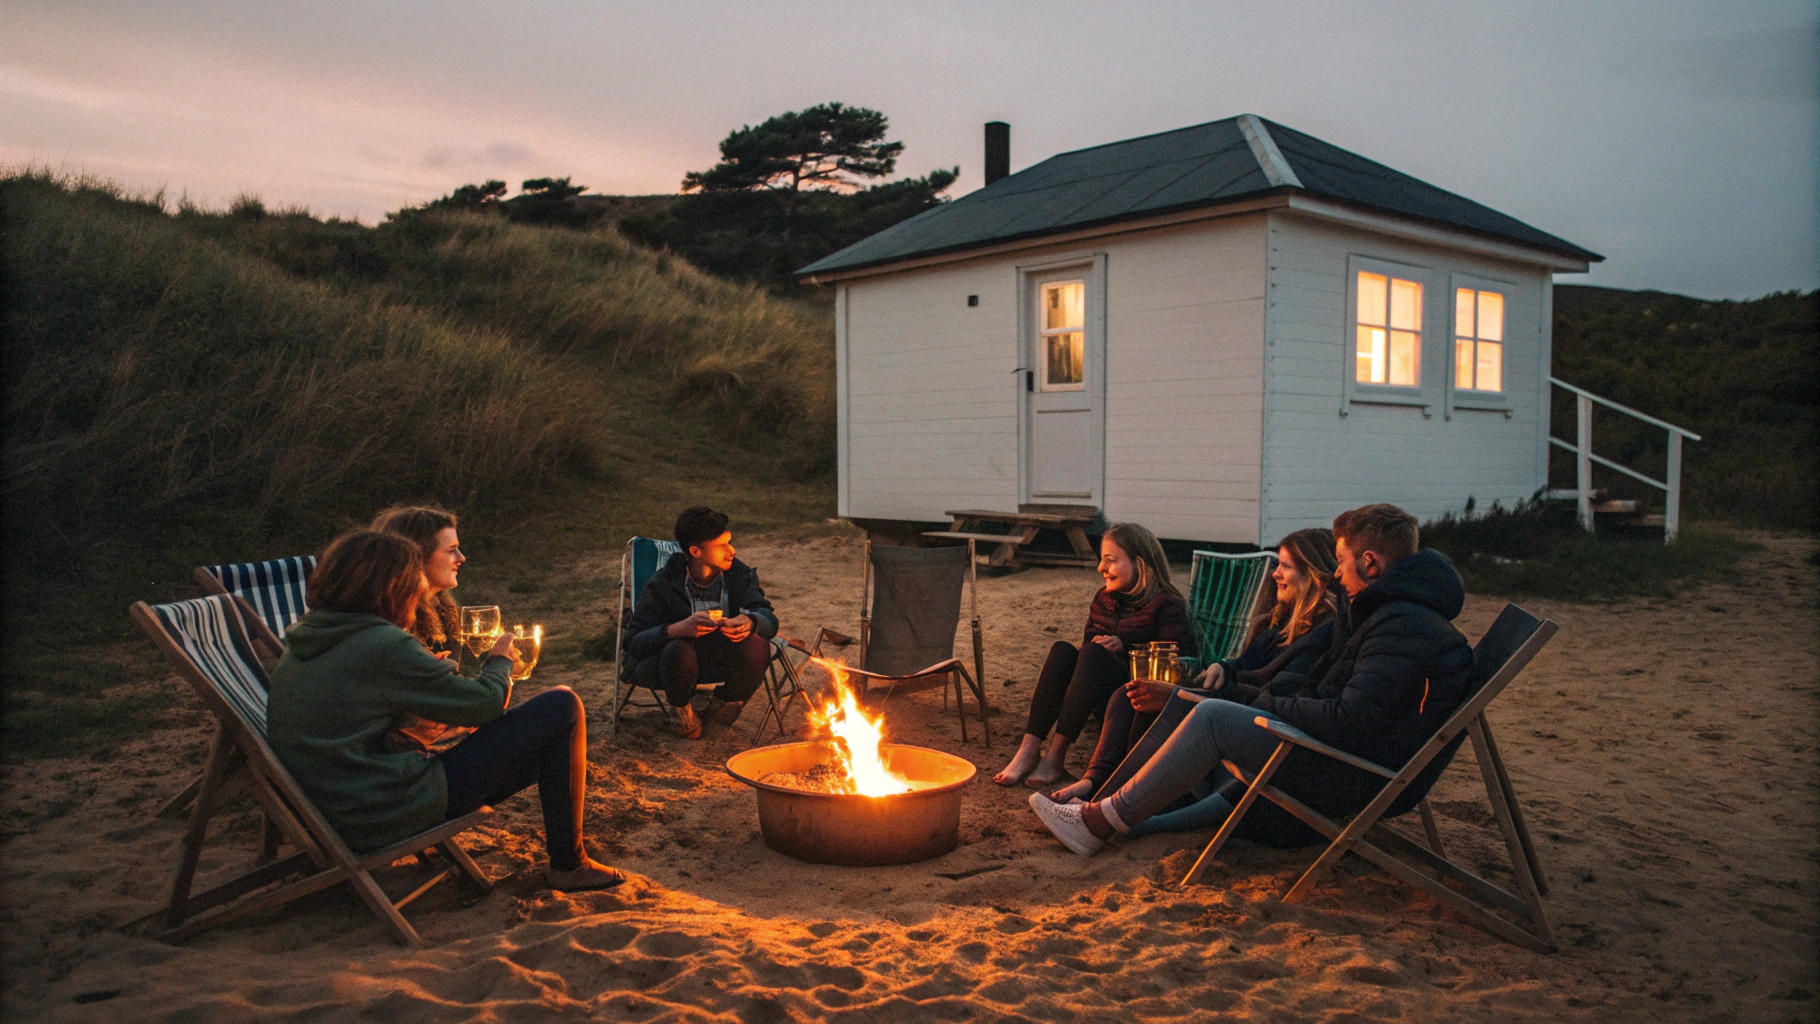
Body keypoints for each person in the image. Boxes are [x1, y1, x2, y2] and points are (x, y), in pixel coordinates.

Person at [1030, 503, 1475, 857]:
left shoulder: (1402, 626)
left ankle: (1098, 824)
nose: (1336, 574)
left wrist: (1265, 707)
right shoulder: (1387, 615)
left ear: (1370, 562)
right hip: (1336, 749)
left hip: (1348, 770)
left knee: (1214, 716)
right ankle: (1099, 807)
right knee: (1193, 702)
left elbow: (1348, 718)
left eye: (1340, 562)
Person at [268, 529, 623, 891]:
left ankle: (568, 858)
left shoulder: (306, 638)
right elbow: (483, 705)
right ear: (393, 588)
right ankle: (570, 864)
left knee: (546, 739)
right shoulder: (380, 643)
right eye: (414, 585)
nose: (419, 594)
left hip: (335, 808)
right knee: (561, 707)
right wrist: (499, 661)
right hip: (382, 810)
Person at [1048, 528, 1340, 817]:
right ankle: (1095, 785)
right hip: (1231, 700)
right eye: (1276, 564)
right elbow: (1244, 665)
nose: (1274, 573)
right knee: (1128, 694)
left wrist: (1185, 693)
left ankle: (1111, 801)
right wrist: (1221, 666)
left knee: (1150, 701)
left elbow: (1274, 694)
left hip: (1249, 718)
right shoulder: (1278, 625)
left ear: (1314, 575)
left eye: (1284, 566)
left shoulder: (1321, 636)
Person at [992, 523, 1193, 789]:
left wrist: (1125, 645)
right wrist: (1096, 648)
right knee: (1063, 650)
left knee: (1094, 655)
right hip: (1096, 692)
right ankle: (1028, 750)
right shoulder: (1104, 599)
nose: (1101, 568)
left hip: (1134, 699)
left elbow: (1173, 661)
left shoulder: (1168, 605)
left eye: (1110, 561)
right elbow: (1087, 649)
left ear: (1141, 564)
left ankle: (1055, 757)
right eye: (1101, 560)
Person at [621, 506, 778, 739]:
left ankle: (723, 707)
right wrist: (676, 630)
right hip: (672, 667)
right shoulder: (665, 583)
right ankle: (682, 714)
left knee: (757, 644)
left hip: (720, 659)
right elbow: (633, 642)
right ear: (695, 551)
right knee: (678, 648)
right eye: (722, 546)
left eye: (730, 542)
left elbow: (768, 618)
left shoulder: (738, 575)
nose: (731, 551)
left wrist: (750, 621)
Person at [370, 505, 471, 754]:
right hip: (404, 759)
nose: (461, 557)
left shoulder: (442, 609)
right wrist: (499, 666)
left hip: (430, 740)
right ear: (416, 556)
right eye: (451, 550)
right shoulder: (389, 624)